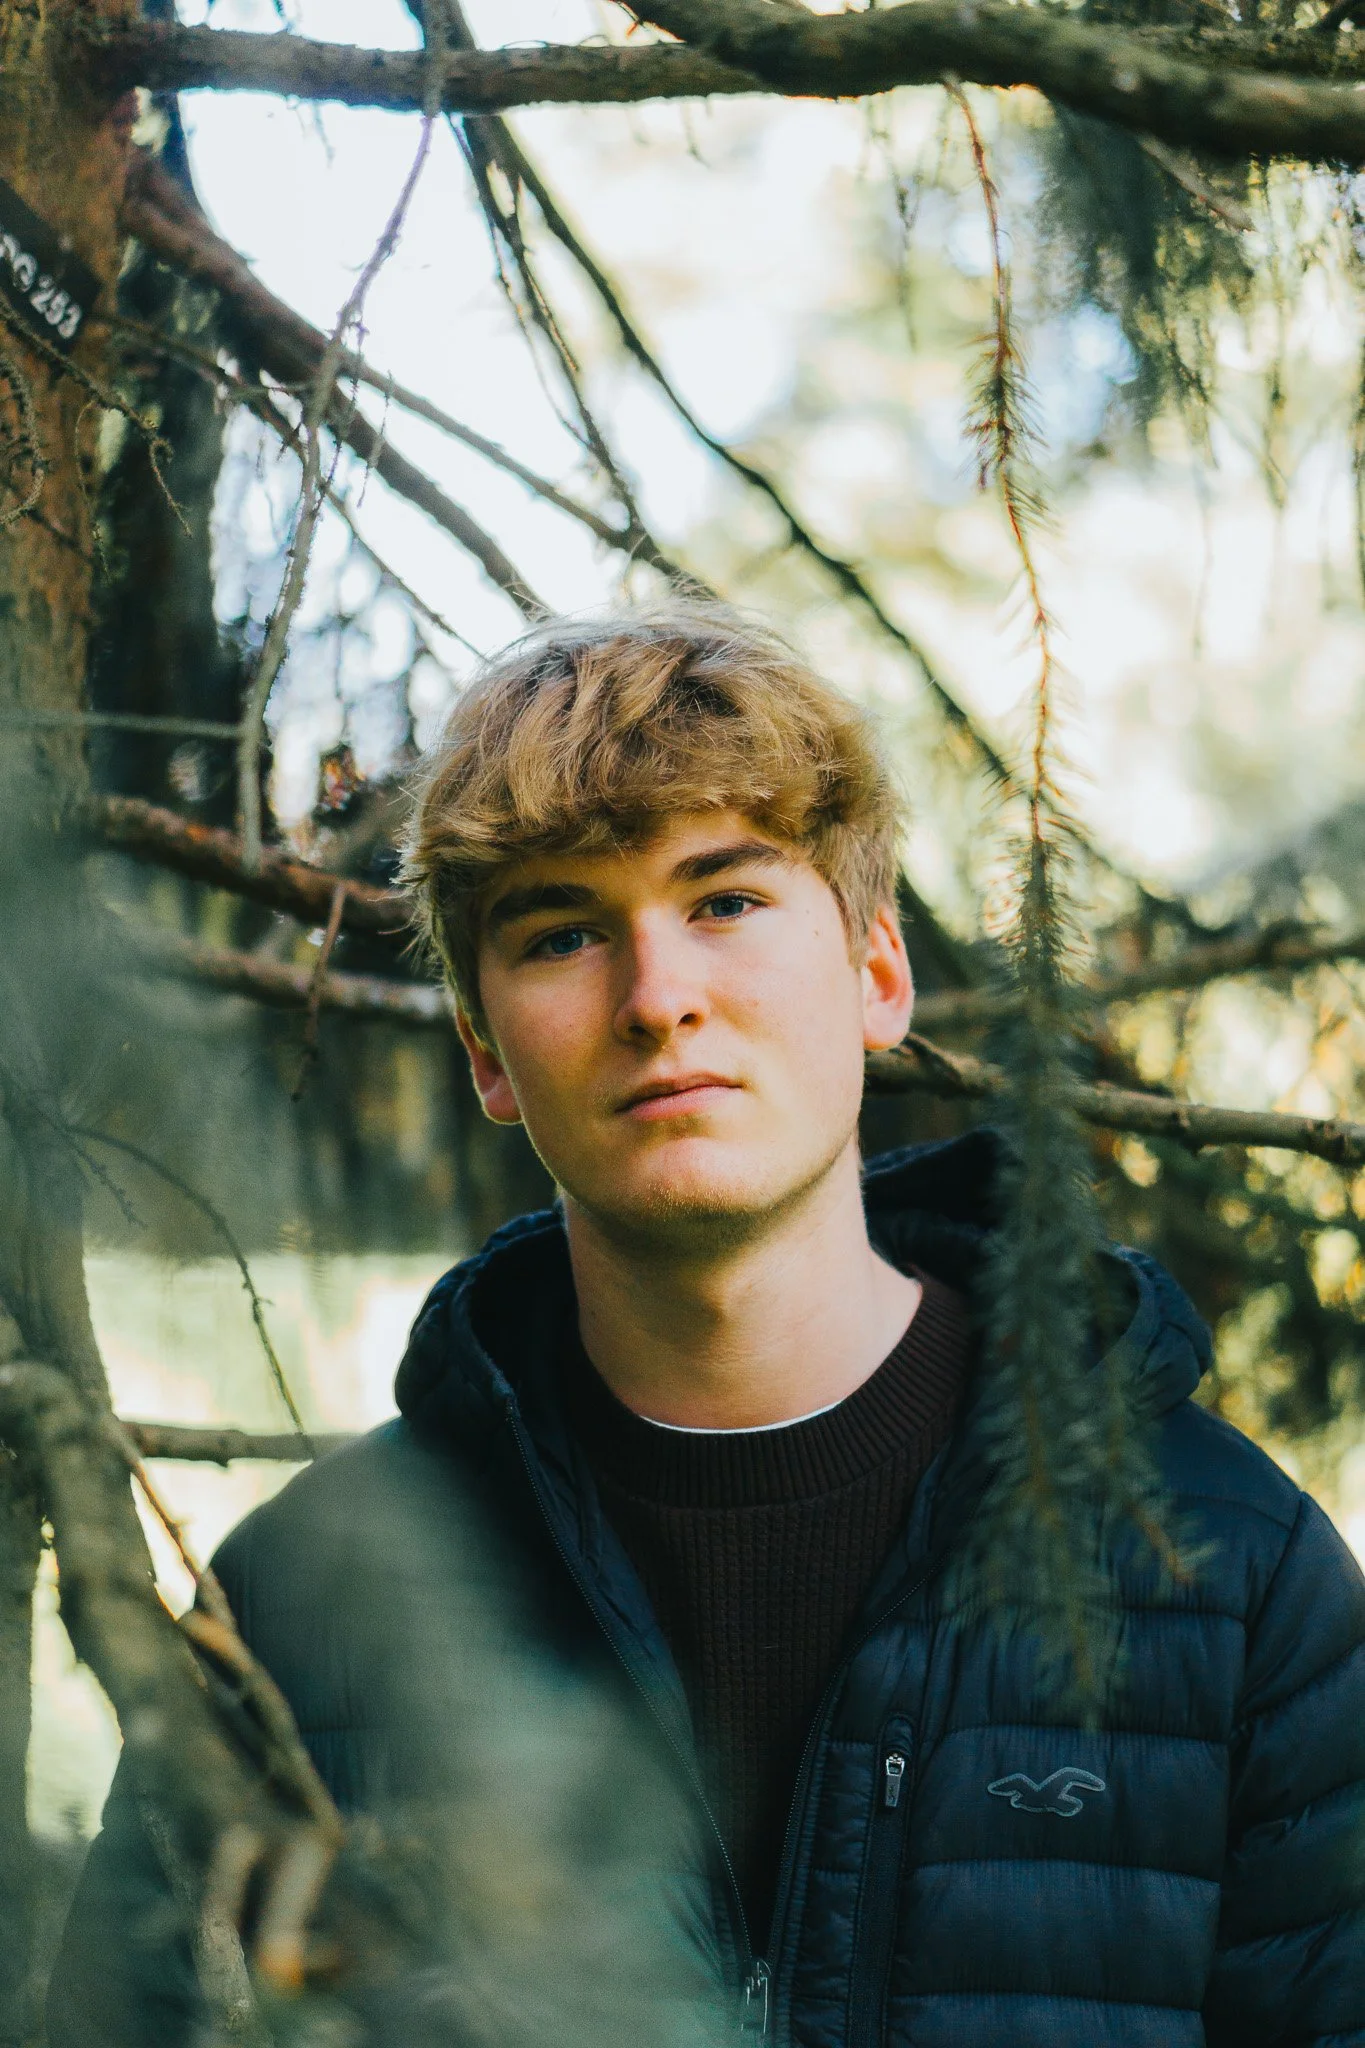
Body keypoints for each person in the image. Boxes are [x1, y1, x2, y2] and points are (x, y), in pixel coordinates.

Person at [52, 603, 1365, 2045]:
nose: (659, 1000)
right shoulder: (305, 1609)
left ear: (875, 972)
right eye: (562, 934)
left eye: (726, 901)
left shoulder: (1235, 1578)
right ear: (486, 1050)